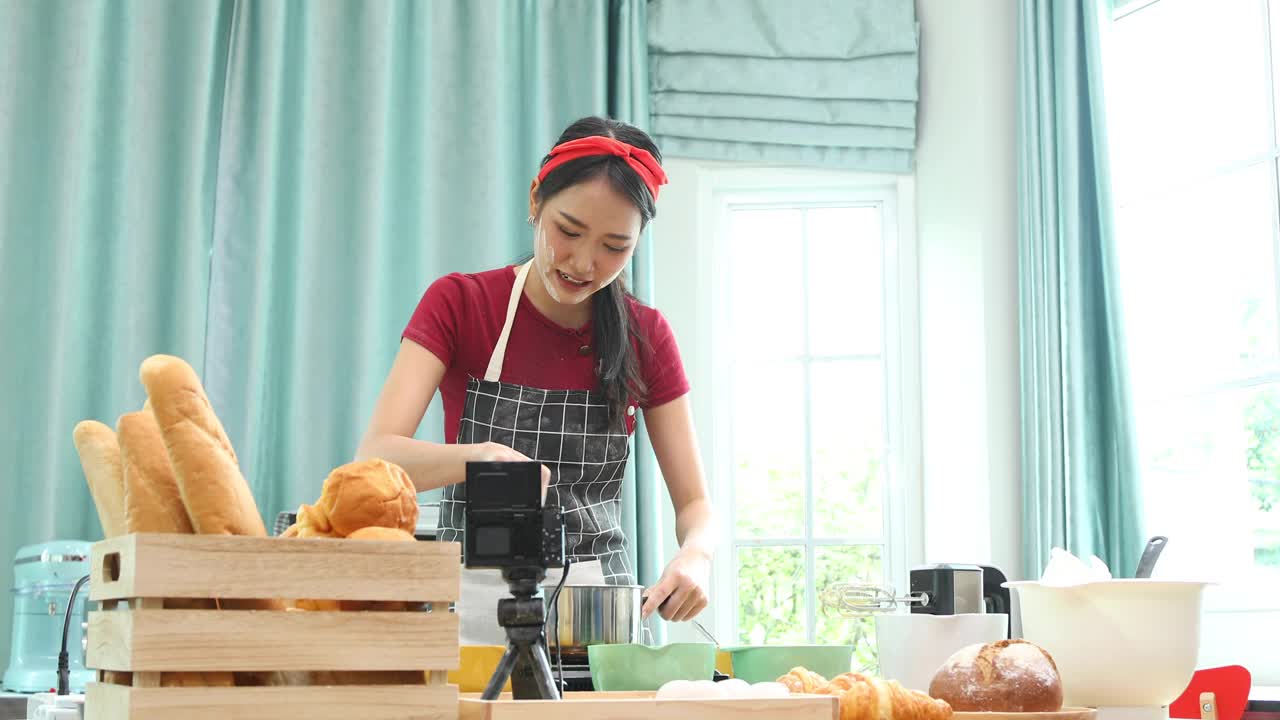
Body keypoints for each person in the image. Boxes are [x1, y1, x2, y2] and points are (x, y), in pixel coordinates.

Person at [357, 116, 716, 644]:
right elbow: (377, 459)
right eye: (567, 231)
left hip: (597, 622)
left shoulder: (646, 336)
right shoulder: (461, 304)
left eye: (614, 246)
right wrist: (482, 459)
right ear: (534, 201)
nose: (583, 262)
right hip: (471, 613)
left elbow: (694, 505)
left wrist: (696, 556)